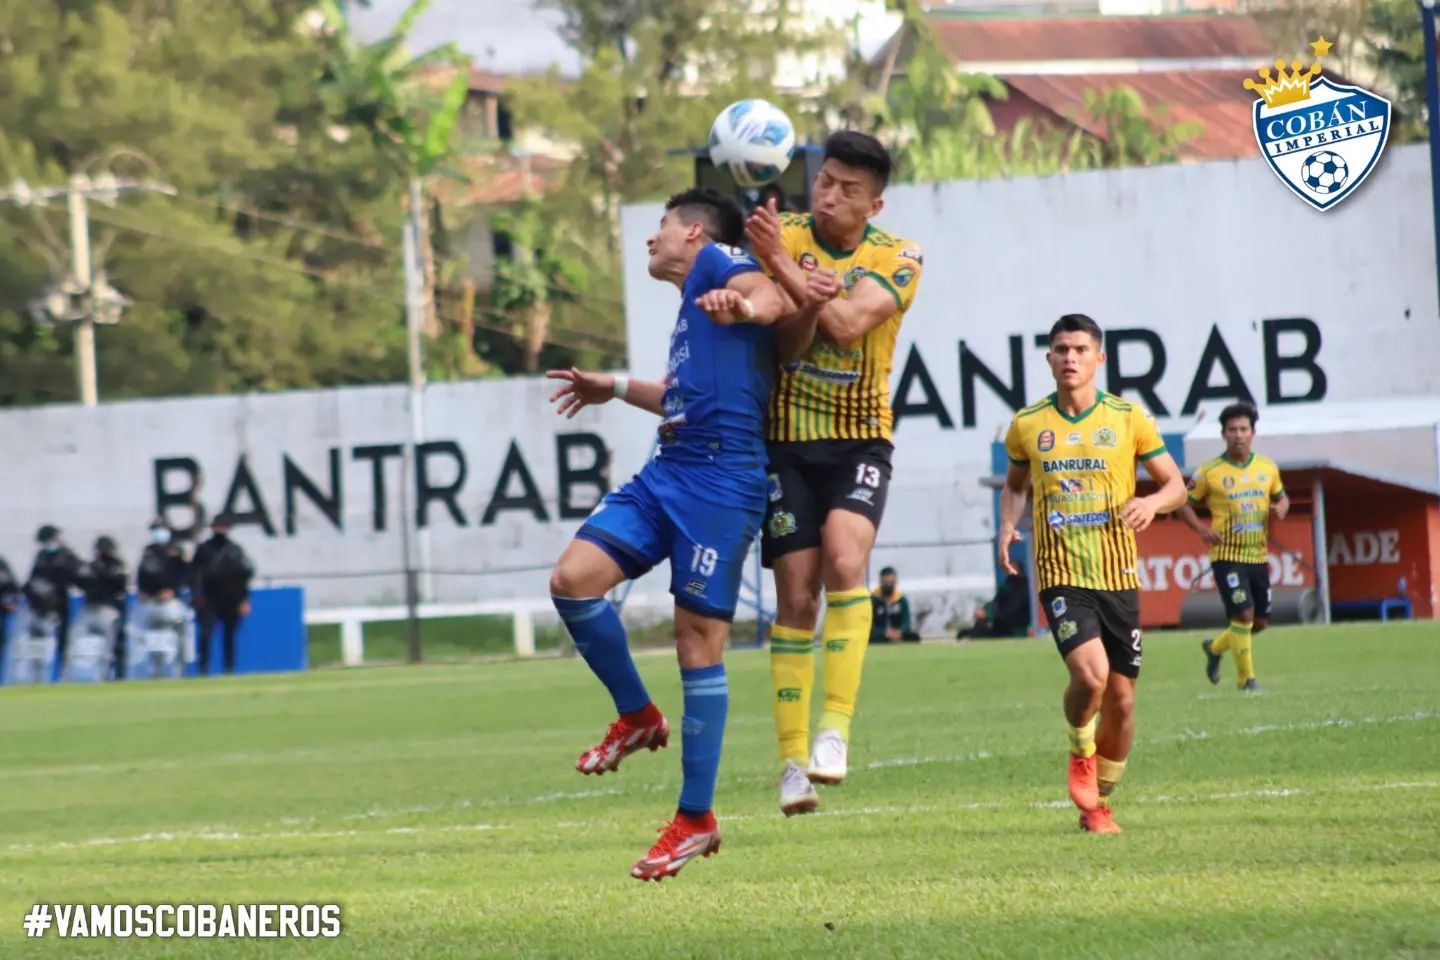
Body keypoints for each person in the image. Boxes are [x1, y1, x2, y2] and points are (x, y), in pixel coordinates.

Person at [545, 187, 832, 882]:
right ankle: (638, 716)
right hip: (668, 471)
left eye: (662, 225)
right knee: (572, 581)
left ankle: (696, 817)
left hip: (721, 482)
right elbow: (680, 395)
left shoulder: (717, 265)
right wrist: (615, 386)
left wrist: (746, 305)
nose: (653, 238)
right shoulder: (690, 305)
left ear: (695, 232)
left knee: (696, 644)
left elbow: (767, 294)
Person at [745, 130, 924, 817]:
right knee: (796, 597)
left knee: (847, 560)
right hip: (787, 443)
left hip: (859, 441)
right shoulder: (784, 234)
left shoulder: (898, 256)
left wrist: (785, 272)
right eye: (824, 181)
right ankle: (793, 765)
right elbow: (787, 349)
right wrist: (796, 286)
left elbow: (849, 326)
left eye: (849, 189)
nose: (829, 196)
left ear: (873, 204)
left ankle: (835, 731)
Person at [998, 314, 1187, 834]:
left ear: (1099, 358)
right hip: (1061, 572)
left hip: (1118, 574)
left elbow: (1176, 486)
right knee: (1090, 675)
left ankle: (1098, 805)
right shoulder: (1028, 424)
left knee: (1122, 701)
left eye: (1080, 349)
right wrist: (1008, 526)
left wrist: (1151, 504)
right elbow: (1014, 486)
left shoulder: (1128, 418)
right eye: (1061, 349)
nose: (1070, 358)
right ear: (1049, 359)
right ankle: (1080, 747)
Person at [1176, 402, 1288, 693]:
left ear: (1253, 433)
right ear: (1223, 434)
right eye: (1232, 430)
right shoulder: (1209, 471)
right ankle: (1246, 681)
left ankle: (1214, 647)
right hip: (1227, 556)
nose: (1238, 435)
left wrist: (1282, 507)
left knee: (1259, 623)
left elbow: (1281, 497)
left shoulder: (1267, 467)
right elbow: (1182, 503)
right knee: (1244, 616)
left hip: (1258, 555)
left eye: (1243, 429)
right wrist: (1202, 529)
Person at [192, 514, 255, 676]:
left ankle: (229, 668)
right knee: (206, 634)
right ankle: (203, 668)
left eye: (223, 526)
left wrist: (244, 599)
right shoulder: (204, 549)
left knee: (229, 636)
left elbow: (243, 576)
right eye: (217, 526)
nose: (220, 529)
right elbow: (194, 573)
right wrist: (197, 594)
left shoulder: (235, 549)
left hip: (231, 598)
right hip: (209, 597)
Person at [135, 519, 192, 679]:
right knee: (155, 641)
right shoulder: (149, 551)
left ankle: (181, 672)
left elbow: (185, 574)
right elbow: (142, 574)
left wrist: (173, 590)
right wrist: (143, 591)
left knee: (179, 639)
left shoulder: (177, 550)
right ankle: (157, 672)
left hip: (173, 602)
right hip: (153, 601)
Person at [28, 524, 83, 675]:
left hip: (60, 603)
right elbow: (33, 579)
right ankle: (37, 674)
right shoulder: (41, 556)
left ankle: (63, 673)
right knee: (38, 641)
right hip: (40, 606)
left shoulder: (67, 555)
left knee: (63, 640)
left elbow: (78, 575)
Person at [74, 536, 129, 678]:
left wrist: (101, 573)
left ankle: (118, 675)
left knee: (113, 646)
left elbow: (120, 584)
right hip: (92, 608)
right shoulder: (90, 566)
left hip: (109, 609)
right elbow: (81, 582)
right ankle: (90, 676)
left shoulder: (116, 565)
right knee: (91, 648)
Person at [959, 572, 1032, 640]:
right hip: (998, 626)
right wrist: (985, 612)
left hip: (1013, 630)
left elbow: (1010, 611)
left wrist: (988, 614)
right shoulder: (1006, 586)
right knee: (963, 634)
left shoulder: (1023, 589)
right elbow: (996, 602)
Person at [870, 567, 918, 643]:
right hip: (881, 635)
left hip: (898, 634)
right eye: (886, 582)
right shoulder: (873, 599)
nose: (888, 585)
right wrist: (884, 632)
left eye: (891, 582)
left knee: (914, 637)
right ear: (881, 581)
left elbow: (907, 623)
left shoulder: (901, 600)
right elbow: (869, 624)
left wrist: (900, 631)